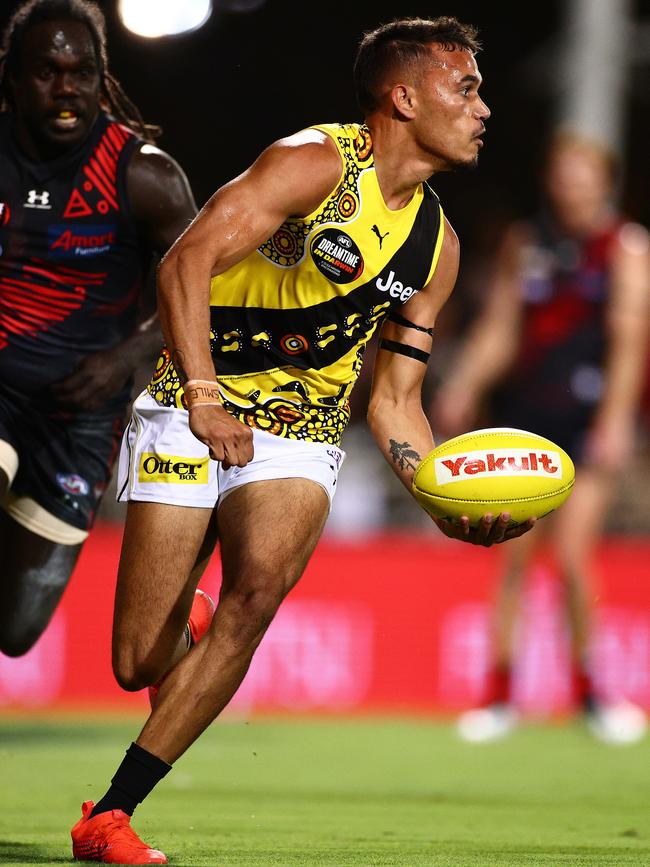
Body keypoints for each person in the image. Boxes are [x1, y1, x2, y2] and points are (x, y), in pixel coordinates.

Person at [70, 17, 536, 864]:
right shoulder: (314, 162)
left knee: (259, 593)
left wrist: (440, 496)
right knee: (138, 661)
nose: (483, 108)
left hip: (302, 433)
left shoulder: (437, 250)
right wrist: (208, 401)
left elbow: (397, 403)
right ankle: (190, 623)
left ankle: (110, 815)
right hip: (191, 401)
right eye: (465, 88)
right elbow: (185, 264)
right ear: (403, 96)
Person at [432, 128, 650, 744]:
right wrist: (464, 385)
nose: (570, 185)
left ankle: (593, 696)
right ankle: (498, 697)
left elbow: (631, 344)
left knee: (576, 558)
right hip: (528, 417)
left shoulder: (626, 248)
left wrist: (614, 422)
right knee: (513, 559)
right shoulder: (526, 244)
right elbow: (502, 327)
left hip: (587, 423)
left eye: (583, 175)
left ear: (604, 182)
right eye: (562, 174)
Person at [0, 0, 199, 658]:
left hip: (80, 417)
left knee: (17, 629)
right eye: (47, 72)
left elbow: (203, 289)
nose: (66, 89)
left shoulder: (145, 175)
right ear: (13, 78)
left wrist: (123, 360)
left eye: (81, 72)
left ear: (100, 77)